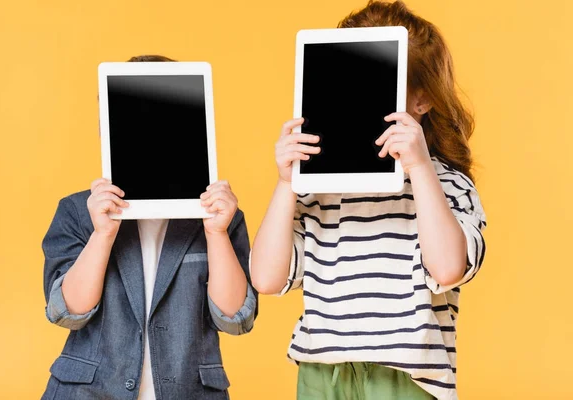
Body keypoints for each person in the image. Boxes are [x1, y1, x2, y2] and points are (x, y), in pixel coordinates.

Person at [249, 2, 486, 399]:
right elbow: (267, 279)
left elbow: (447, 269)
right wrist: (285, 183)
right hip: (322, 374)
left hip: (407, 378)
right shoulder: (317, 189)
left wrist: (422, 169)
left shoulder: (448, 184)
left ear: (421, 100)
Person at [41, 54, 257, 400]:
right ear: (105, 128)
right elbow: (68, 313)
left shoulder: (221, 215)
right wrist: (102, 234)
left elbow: (235, 318)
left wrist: (216, 232)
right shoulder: (77, 211)